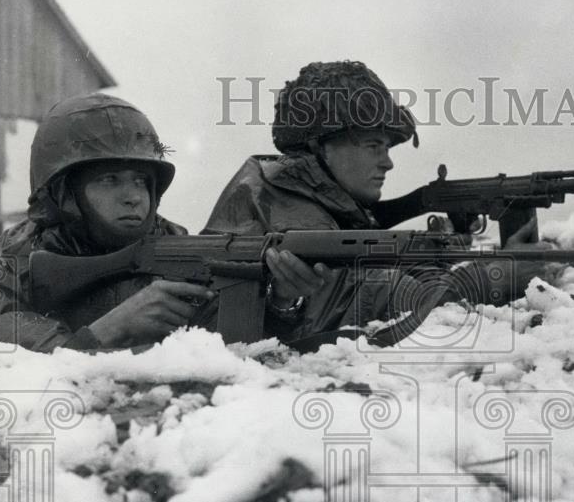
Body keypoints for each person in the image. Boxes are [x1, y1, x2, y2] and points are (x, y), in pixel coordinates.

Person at [204, 61, 546, 348]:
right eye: (372, 146)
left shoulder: (315, 199)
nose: (387, 163)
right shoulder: (292, 212)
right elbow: (374, 295)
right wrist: (495, 277)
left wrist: (447, 249)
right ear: (320, 146)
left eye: (387, 149)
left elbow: (381, 275)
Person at [0, 93, 214, 352]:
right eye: (109, 180)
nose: (133, 197)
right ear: (64, 192)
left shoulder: (183, 257)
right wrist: (102, 334)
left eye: (140, 181)